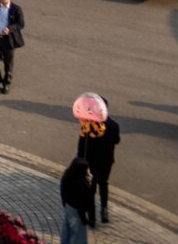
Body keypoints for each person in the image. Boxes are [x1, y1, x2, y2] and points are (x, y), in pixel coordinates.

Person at [75, 93, 119, 228]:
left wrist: (80, 159)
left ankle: (92, 217)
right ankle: (104, 209)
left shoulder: (89, 125)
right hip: (107, 161)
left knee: (91, 187)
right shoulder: (113, 125)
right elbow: (116, 140)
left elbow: (82, 145)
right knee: (103, 183)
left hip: (91, 161)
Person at [59, 154, 95, 244]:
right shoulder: (81, 184)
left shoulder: (67, 176)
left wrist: (65, 203)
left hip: (68, 207)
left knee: (66, 231)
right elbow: (86, 201)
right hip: (77, 212)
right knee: (78, 236)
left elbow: (63, 191)